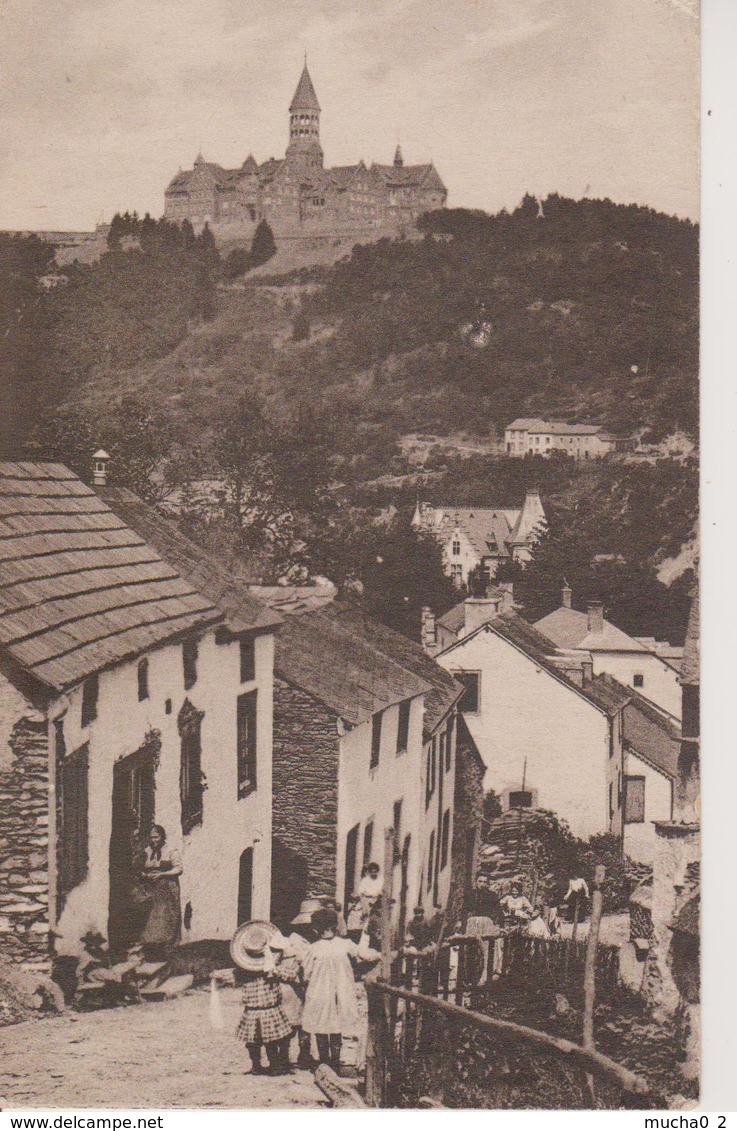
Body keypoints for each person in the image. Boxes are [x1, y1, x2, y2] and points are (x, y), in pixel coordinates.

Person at [302, 908, 380, 1069]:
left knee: (321, 1026)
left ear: (316, 929)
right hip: (341, 992)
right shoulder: (345, 944)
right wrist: (380, 954)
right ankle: (335, 1061)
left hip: (320, 992)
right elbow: (365, 955)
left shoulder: (313, 948)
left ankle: (324, 1062)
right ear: (335, 926)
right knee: (336, 1026)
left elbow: (306, 974)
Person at [234, 922, 293, 1075]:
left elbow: (290, 975)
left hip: (265, 1009)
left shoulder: (270, 969)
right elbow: (290, 975)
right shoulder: (244, 972)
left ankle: (272, 1064)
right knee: (255, 1042)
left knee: (269, 1041)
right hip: (258, 1010)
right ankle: (258, 1064)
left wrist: (276, 971)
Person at [138, 825, 182, 958]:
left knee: (168, 916)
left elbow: (179, 869)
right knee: (153, 917)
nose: (153, 840)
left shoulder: (171, 851)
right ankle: (153, 951)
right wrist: (145, 875)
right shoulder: (147, 851)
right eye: (151, 837)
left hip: (168, 888)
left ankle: (168, 950)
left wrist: (163, 874)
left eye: (156, 837)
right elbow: (140, 868)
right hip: (152, 888)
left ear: (162, 837)